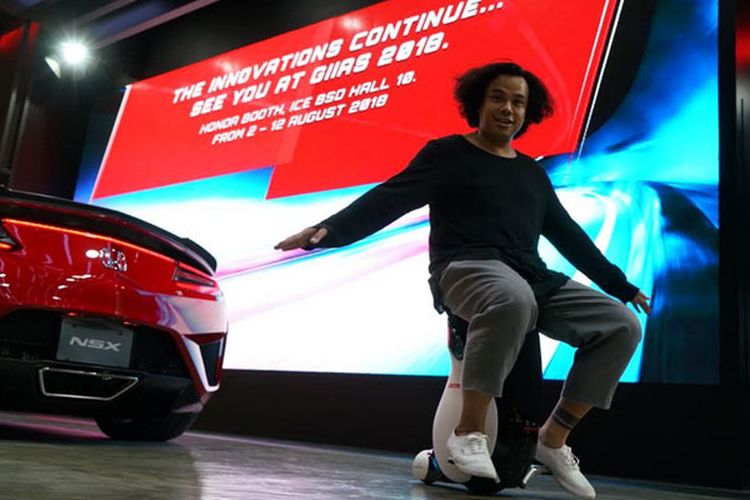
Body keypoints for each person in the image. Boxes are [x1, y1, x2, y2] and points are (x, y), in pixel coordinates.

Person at [275, 61, 650, 499]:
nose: (508, 109)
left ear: (528, 112)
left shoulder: (531, 173)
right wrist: (328, 230)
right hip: (464, 266)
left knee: (621, 326)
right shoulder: (447, 154)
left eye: (518, 102)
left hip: (530, 274)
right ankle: (467, 433)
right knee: (512, 300)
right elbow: (388, 199)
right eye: (498, 98)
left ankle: (553, 440)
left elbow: (570, 237)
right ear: (478, 103)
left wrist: (621, 287)